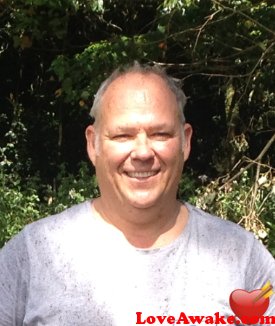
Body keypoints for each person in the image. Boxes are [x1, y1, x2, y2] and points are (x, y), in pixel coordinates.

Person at [0, 62, 274, 326]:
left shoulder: (242, 257)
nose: (142, 152)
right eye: (122, 136)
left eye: (160, 134)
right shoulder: (31, 255)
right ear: (93, 145)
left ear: (186, 141)